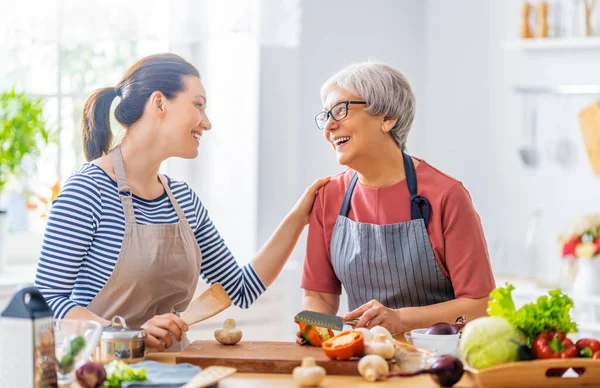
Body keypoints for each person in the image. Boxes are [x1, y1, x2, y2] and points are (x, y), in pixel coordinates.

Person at [34, 53, 328, 352]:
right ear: (159, 103)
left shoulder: (183, 200)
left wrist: (298, 217)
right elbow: (47, 300)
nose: (207, 123)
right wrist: (127, 337)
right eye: (198, 105)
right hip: (103, 374)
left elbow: (240, 289)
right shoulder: (88, 190)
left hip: (175, 371)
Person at [298, 62, 495, 341]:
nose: (329, 126)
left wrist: (399, 319)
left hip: (439, 363)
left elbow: (479, 307)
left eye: (341, 110)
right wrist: (316, 328)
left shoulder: (447, 196)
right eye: (326, 115)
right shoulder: (329, 196)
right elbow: (318, 296)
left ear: (387, 118)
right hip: (366, 361)